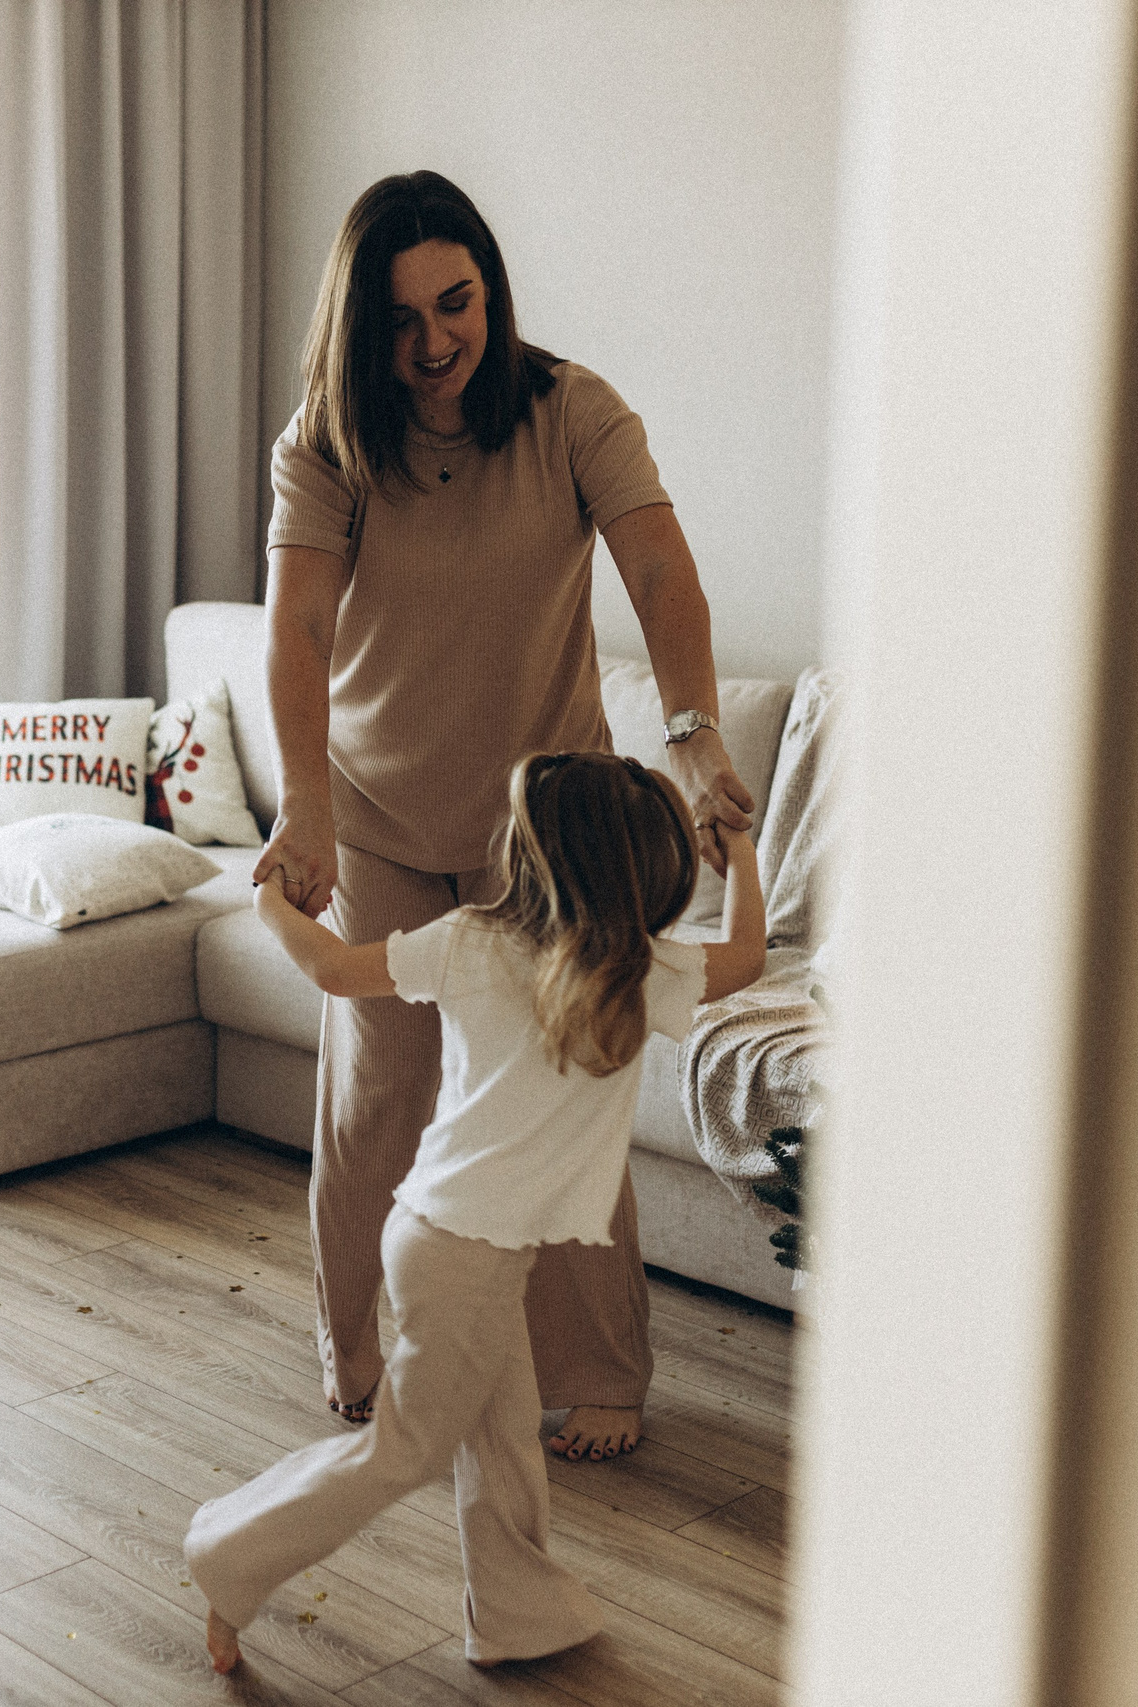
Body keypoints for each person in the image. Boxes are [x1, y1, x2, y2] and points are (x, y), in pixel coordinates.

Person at [256, 170, 754, 1461]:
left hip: (551, 830)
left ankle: (598, 1367)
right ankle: (362, 1349)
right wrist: (304, 806)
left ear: (491, 287)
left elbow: (657, 565)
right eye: (402, 319)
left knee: (569, 1087)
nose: (432, 343)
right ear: (363, 329)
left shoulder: (572, 410)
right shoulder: (327, 440)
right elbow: (299, 625)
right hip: (379, 813)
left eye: (456, 302)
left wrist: (694, 742)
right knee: (382, 1090)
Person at [194, 751, 766, 1675]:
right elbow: (746, 954)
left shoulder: (470, 940)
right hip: (464, 1251)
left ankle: (519, 1612)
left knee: (501, 1437)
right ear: (641, 869)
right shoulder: (642, 971)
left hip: (443, 1235)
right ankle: (228, 1554)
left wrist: (272, 901)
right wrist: (738, 851)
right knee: (407, 1450)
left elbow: (335, 969)